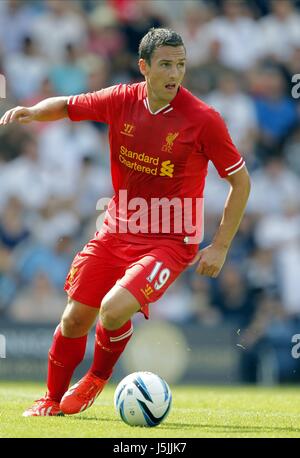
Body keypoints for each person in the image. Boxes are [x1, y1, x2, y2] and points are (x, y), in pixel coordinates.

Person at [0, 28, 251, 416]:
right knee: (74, 318)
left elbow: (240, 181)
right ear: (144, 67)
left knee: (113, 309)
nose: (175, 73)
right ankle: (49, 400)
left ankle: (96, 379)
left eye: (181, 64)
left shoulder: (203, 119)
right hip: (118, 227)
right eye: (166, 64)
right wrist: (34, 111)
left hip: (170, 239)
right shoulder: (121, 99)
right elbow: (67, 105)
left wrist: (219, 245)